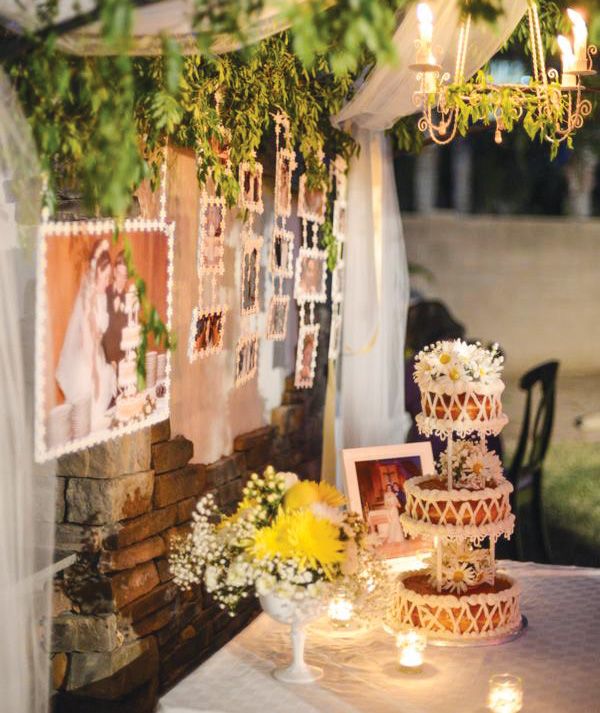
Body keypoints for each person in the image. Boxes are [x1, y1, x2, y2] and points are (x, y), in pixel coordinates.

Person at [55, 238, 117, 430]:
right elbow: (87, 342)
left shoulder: (101, 296)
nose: (108, 283)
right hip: (87, 363)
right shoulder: (87, 301)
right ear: (97, 272)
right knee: (90, 417)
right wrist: (97, 375)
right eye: (106, 277)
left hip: (97, 356)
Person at [102, 251, 128, 368]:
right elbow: (104, 331)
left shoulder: (129, 299)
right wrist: (111, 358)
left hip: (123, 361)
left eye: (125, 276)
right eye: (119, 274)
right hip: (105, 359)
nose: (121, 279)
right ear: (114, 272)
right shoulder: (104, 293)